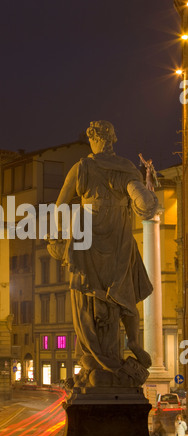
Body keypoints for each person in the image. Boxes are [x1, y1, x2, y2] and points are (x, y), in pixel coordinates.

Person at [48, 121, 158, 389]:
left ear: (93, 140)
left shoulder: (83, 167)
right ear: (113, 140)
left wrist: (56, 237)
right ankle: (132, 342)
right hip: (119, 241)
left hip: (88, 242)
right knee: (126, 294)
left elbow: (61, 204)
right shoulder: (126, 168)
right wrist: (144, 197)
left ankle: (95, 357)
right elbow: (140, 197)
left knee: (87, 301)